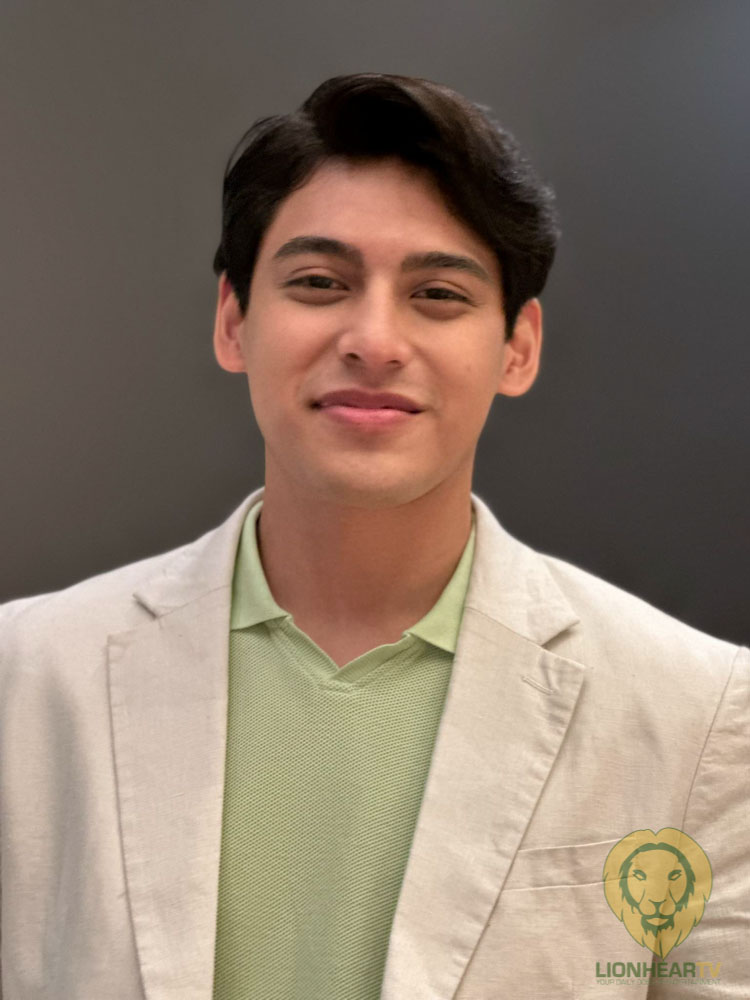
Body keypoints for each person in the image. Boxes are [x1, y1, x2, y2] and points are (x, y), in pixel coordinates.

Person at [0, 73, 747, 1000]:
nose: (375, 340)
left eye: (438, 293)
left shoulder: (700, 711)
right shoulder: (25, 677)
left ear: (518, 347)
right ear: (233, 321)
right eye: (320, 283)